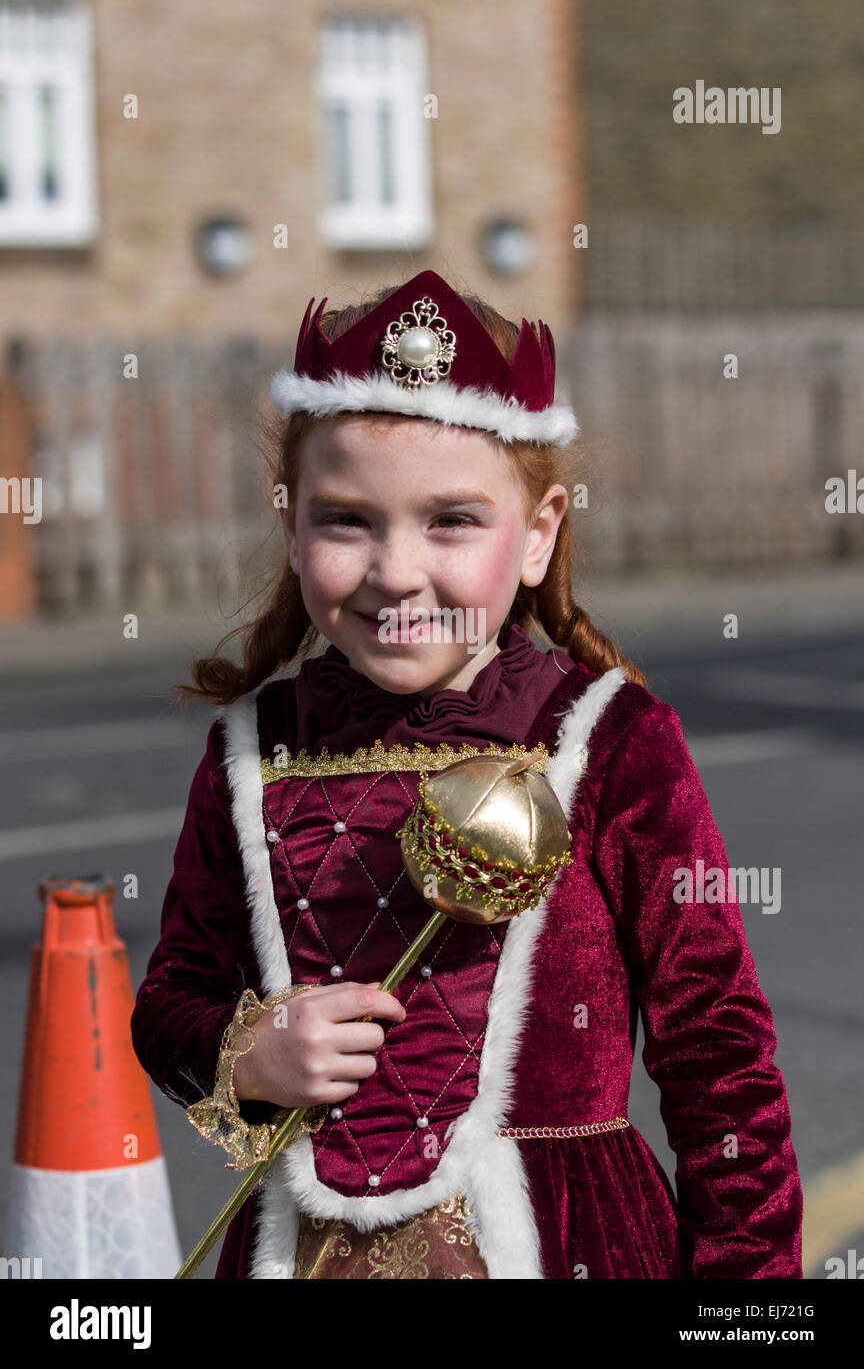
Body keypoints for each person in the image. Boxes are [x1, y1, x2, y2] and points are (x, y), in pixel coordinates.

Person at [130, 269, 804, 1279]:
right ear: (291, 525)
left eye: (452, 521)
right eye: (346, 520)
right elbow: (172, 1000)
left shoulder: (614, 741)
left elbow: (720, 1055)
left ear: (537, 534)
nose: (397, 570)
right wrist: (252, 1055)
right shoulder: (251, 747)